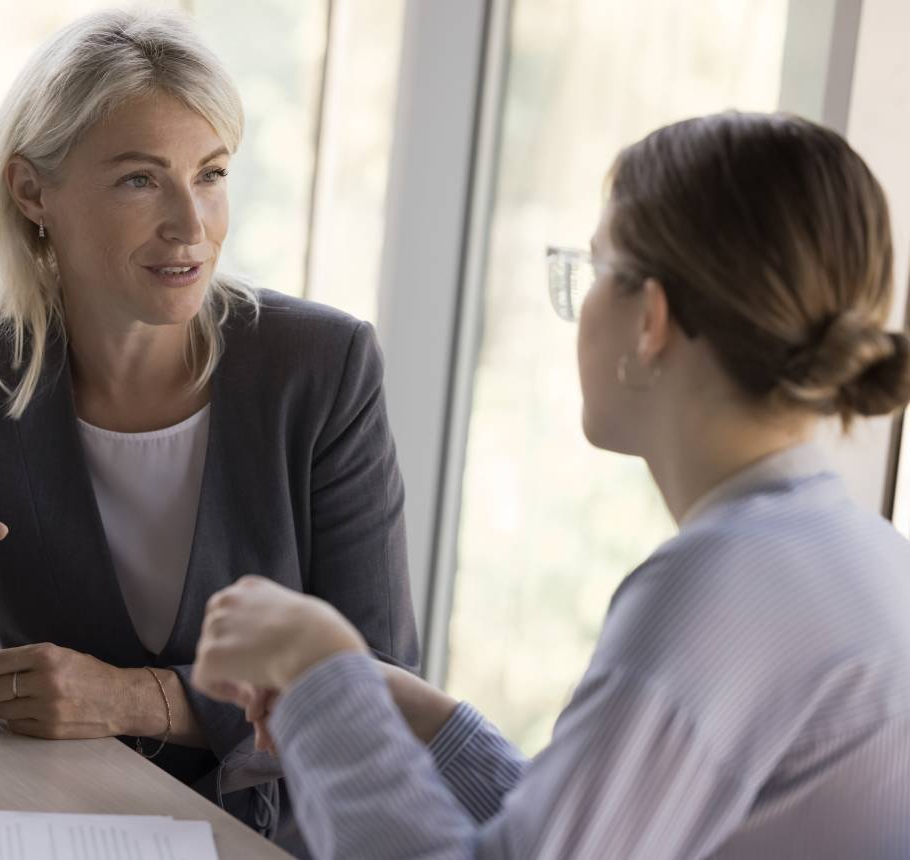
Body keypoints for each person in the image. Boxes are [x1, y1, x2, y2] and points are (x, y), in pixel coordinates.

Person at [0, 8, 417, 835]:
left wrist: (138, 698)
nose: (191, 226)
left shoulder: (320, 365)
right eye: (139, 178)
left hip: (274, 834)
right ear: (31, 191)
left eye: (211, 173)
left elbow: (380, 682)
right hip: (47, 817)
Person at [192, 111, 910, 858]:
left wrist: (320, 676)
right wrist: (411, 712)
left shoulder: (724, 584)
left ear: (651, 321)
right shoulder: (855, 552)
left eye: (595, 270)